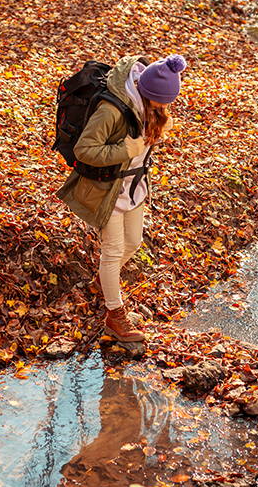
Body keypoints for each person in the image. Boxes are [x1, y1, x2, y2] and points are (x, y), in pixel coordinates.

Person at [55, 54, 184, 343]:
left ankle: (105, 280)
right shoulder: (111, 111)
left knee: (133, 243)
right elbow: (85, 151)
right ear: (146, 93)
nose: (166, 107)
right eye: (162, 102)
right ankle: (115, 316)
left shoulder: (150, 106)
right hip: (108, 188)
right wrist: (125, 150)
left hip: (133, 187)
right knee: (113, 251)